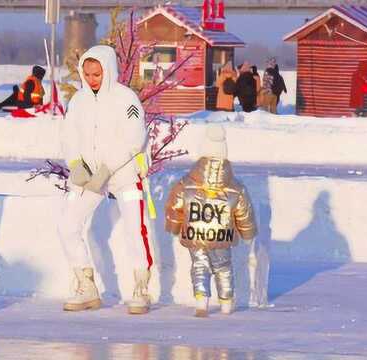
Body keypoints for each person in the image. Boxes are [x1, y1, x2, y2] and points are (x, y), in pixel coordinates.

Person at [59, 45, 153, 315]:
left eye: (97, 74)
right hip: (88, 177)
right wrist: (75, 164)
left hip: (122, 175)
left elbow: (133, 138)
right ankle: (86, 285)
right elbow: (69, 135)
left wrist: (107, 168)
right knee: (68, 225)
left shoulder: (127, 99)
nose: (91, 79)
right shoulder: (78, 101)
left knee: (135, 230)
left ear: (108, 70)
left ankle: (141, 287)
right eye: (87, 73)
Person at [164, 124, 256, 318]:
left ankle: (201, 302)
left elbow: (175, 205)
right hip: (222, 235)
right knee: (223, 267)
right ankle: (226, 303)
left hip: (195, 234)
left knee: (199, 265)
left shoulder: (186, 183)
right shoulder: (236, 187)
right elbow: (243, 212)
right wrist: (247, 234)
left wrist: (173, 226)